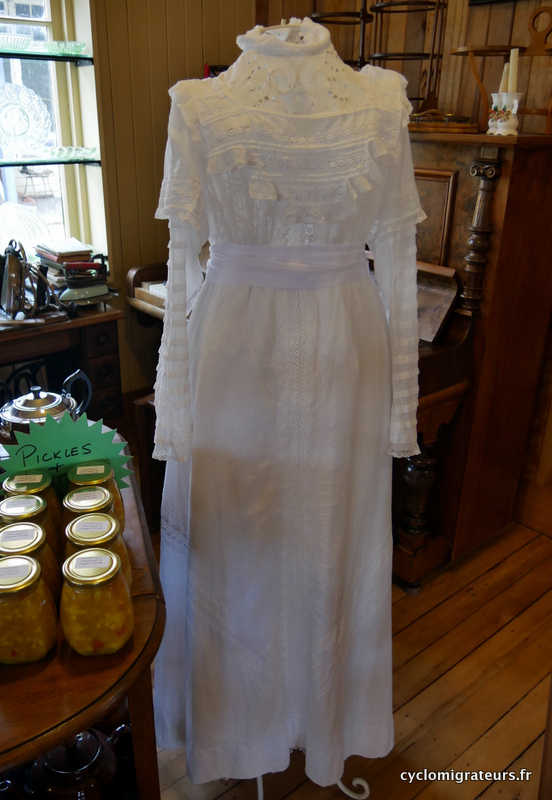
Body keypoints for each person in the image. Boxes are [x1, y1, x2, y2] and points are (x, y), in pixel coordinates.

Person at [152, 16, 425, 788]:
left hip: (346, 345)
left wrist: (399, 408)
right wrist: (176, 408)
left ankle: (320, 721)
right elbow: (181, 264)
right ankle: (241, 734)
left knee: (333, 539)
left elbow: (396, 255)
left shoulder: (383, 102)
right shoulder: (196, 105)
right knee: (237, 544)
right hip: (237, 347)